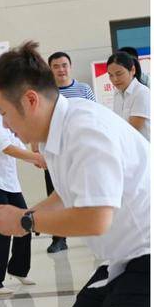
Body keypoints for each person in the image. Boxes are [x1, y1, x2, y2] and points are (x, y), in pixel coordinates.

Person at [0, 41, 150, 307]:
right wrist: (26, 214)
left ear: (30, 100)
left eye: (4, 113)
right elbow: (66, 192)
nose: (5, 124)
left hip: (147, 256)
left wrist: (26, 221)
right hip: (120, 259)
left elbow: (96, 218)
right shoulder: (54, 133)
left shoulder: (85, 129)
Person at [0, 98, 43, 296]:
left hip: (11, 184)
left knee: (25, 224)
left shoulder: (9, 121)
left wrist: (37, 158)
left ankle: (18, 270)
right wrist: (36, 158)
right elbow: (7, 148)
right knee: (3, 231)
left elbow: (19, 145)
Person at [43, 51, 96, 253]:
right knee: (55, 194)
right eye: (56, 66)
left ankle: (94, 231)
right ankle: (59, 238)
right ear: (50, 70)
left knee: (88, 191)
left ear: (70, 66)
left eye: (64, 65)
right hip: (54, 152)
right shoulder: (46, 92)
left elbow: (94, 115)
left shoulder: (84, 89)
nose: (61, 69)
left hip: (82, 151)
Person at [107, 51, 150, 141]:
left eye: (119, 73)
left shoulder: (142, 92)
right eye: (111, 75)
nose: (115, 79)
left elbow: (132, 129)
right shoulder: (117, 93)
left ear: (132, 70)